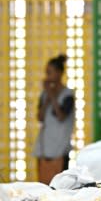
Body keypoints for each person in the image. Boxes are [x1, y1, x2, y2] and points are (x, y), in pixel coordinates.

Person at [33, 54, 75, 185]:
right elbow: (40, 117)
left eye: (50, 73)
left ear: (59, 73)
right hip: (45, 148)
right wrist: (47, 96)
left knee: (59, 187)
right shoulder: (44, 94)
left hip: (60, 149)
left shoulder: (68, 95)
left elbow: (61, 116)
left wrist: (52, 95)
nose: (47, 76)